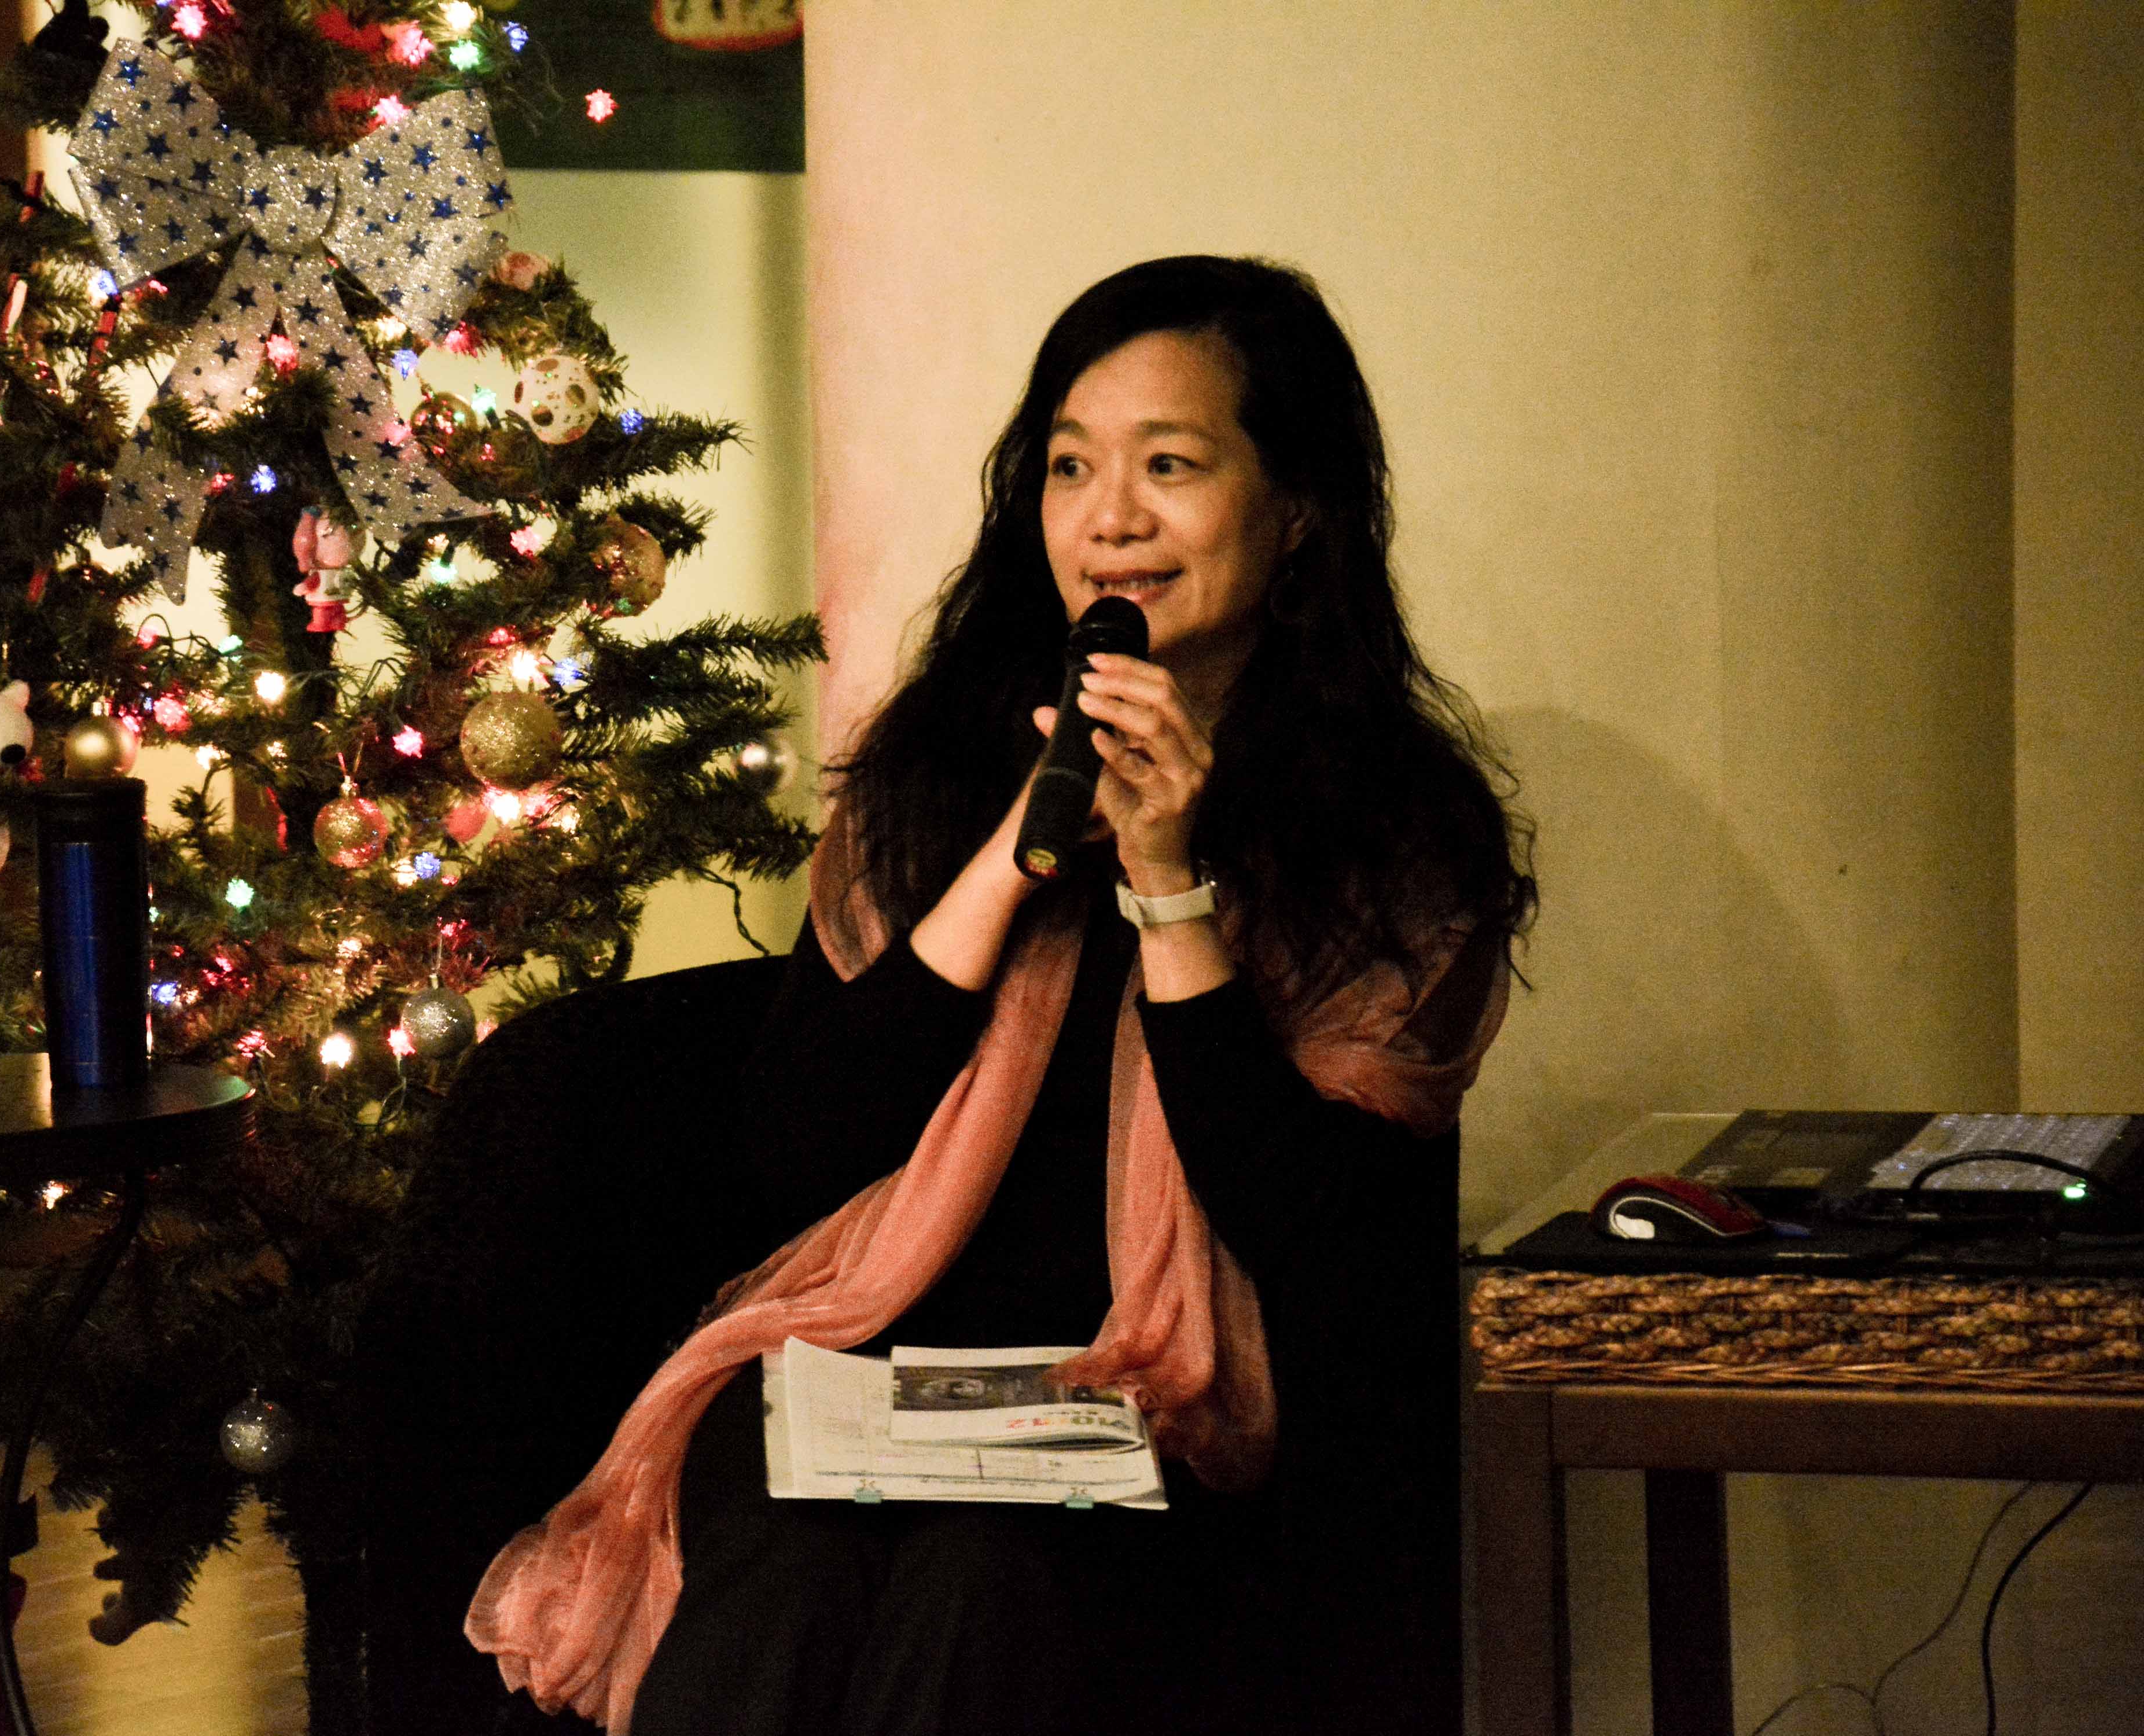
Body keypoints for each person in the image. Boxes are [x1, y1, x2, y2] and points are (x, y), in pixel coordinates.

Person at [468, 255, 1536, 1735]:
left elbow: (1322, 1243)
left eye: (1170, 466)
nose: (1110, 519)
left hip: (1153, 1414)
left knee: (980, 1583)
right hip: (868, 1375)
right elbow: (791, 1153)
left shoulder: (1390, 832)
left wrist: (1168, 881)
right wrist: (1007, 862)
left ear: (1296, 509)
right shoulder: (935, 768)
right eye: (1070, 467)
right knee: (779, 1570)